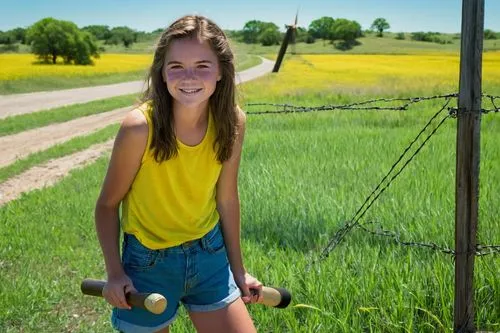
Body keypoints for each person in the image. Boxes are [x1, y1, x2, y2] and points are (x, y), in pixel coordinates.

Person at [94, 14, 262, 333]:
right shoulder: (139, 128)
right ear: (162, 71)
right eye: (176, 66)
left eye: (202, 65)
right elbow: (106, 205)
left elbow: (226, 199)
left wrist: (239, 271)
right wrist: (115, 273)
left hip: (209, 254)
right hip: (148, 262)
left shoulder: (233, 121)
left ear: (222, 71)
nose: (189, 77)